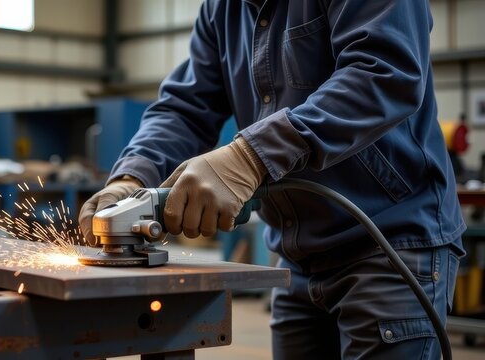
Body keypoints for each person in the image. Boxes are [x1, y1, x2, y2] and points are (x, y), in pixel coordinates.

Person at [78, 0, 466, 358]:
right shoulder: (223, 9)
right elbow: (185, 108)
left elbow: (384, 72)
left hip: (390, 245)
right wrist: (132, 175)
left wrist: (250, 156)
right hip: (297, 259)